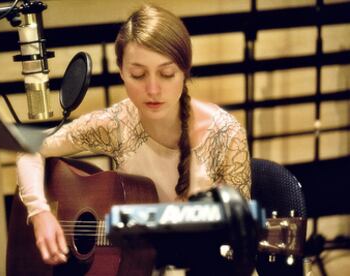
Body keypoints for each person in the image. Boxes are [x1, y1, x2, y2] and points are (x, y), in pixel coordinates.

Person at [16, 3, 251, 268]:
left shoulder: (225, 134)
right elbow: (29, 148)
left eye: (166, 73)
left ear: (185, 71)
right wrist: (40, 213)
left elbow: (239, 250)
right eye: (138, 74)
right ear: (122, 73)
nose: (153, 89)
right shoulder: (116, 124)